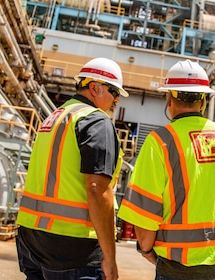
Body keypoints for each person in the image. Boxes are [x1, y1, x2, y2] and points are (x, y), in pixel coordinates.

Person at [118, 59, 215, 280]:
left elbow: (145, 215)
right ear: (203, 100)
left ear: (169, 98)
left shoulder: (160, 141)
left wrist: (146, 250)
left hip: (177, 267)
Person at [16, 57, 129, 280]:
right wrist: (109, 256)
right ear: (94, 87)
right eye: (114, 90)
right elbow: (97, 189)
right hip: (72, 246)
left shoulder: (55, 117)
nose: (116, 98)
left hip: (31, 238)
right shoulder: (96, 121)